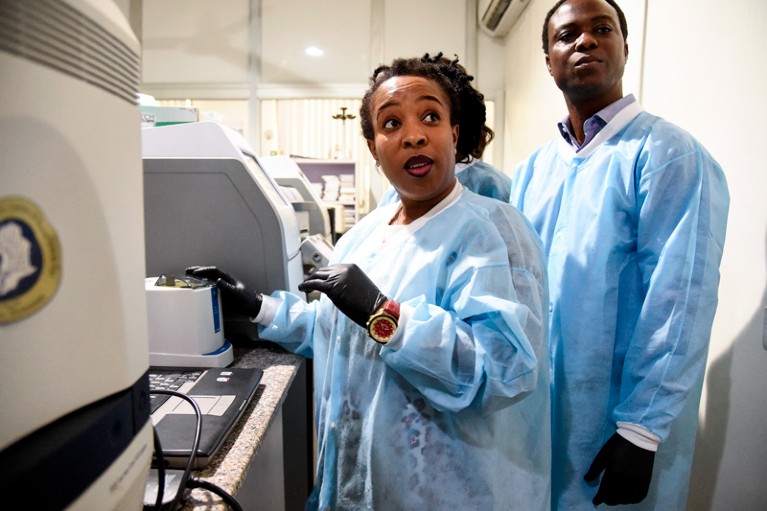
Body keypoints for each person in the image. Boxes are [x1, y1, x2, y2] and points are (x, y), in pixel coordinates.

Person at [188, 54, 551, 510]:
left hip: (445, 490)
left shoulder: (494, 231)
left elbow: (502, 370)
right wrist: (258, 305)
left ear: (454, 134)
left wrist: (386, 315)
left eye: (431, 117)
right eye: (391, 123)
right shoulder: (365, 235)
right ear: (373, 148)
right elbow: (336, 329)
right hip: (356, 480)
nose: (414, 135)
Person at [509, 0, 730, 509]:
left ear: (624, 48)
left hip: (618, 429)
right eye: (567, 35)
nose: (585, 41)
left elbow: (681, 300)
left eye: (602, 29)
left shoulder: (667, 154)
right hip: (537, 420)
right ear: (549, 62)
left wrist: (641, 431)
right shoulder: (532, 172)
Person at [376, 54, 512, 206]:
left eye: (431, 117)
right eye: (394, 122)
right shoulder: (396, 196)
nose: (413, 136)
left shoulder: (492, 187)